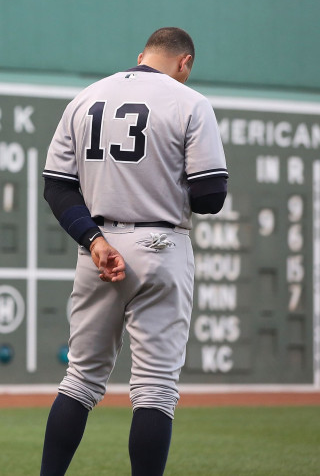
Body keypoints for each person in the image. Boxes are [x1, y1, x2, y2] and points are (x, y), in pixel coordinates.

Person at [39, 27, 228, 475]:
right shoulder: (190, 102)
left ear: (141, 56)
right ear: (184, 63)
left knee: (80, 381)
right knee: (155, 390)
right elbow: (209, 197)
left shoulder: (84, 99)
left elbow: (58, 187)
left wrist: (95, 239)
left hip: (98, 248)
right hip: (161, 245)